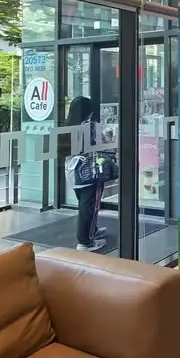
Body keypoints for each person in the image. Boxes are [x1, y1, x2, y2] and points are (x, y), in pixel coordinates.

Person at [66, 96, 110, 251]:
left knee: (84, 204)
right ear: (88, 111)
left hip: (72, 172)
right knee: (89, 206)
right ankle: (85, 241)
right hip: (89, 173)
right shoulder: (90, 127)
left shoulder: (67, 126)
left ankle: (92, 231)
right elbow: (103, 143)